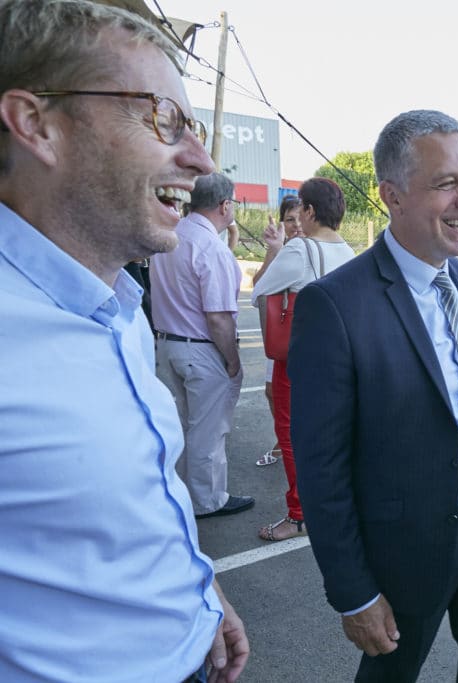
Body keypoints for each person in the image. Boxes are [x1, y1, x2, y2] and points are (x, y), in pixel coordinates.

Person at [0, 1, 248, 680]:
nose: (199, 158)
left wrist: (200, 592)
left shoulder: (116, 305)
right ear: (36, 124)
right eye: (162, 118)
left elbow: (142, 486)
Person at [289, 110, 458, 682]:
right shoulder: (335, 305)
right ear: (392, 195)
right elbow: (321, 467)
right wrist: (353, 592)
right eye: (447, 183)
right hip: (406, 545)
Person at [251, 177, 355, 541]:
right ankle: (329, 504)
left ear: (310, 211)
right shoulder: (349, 251)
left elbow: (259, 291)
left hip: (297, 359)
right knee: (330, 437)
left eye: (301, 210)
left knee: (292, 435)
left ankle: (298, 514)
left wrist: (276, 252)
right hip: (338, 361)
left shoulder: (300, 250)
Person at [150, 171, 254, 518]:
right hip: (202, 348)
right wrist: (233, 360)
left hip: (168, 344)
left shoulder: (170, 234)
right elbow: (219, 317)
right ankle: (208, 501)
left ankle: (180, 493)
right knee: (208, 431)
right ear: (225, 205)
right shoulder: (211, 247)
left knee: (180, 425)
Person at [253, 195, 304, 467]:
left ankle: (290, 442)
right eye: (289, 219)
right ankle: (282, 439)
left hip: (301, 339)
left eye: (299, 218)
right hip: (278, 334)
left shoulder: (310, 249)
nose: (296, 225)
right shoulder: (283, 252)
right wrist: (273, 250)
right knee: (271, 391)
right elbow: (258, 286)